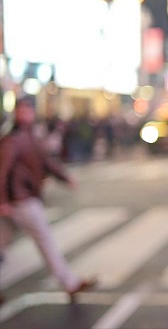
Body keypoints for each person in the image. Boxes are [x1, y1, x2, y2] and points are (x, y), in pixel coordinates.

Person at [0, 98, 97, 306]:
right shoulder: (12, 139)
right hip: (21, 200)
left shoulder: (31, 136)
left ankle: (70, 283)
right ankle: (70, 283)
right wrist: (3, 201)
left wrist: (65, 178)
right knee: (45, 240)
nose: (26, 114)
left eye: (28, 110)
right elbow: (2, 172)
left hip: (23, 199)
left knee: (2, 247)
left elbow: (46, 162)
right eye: (22, 110)